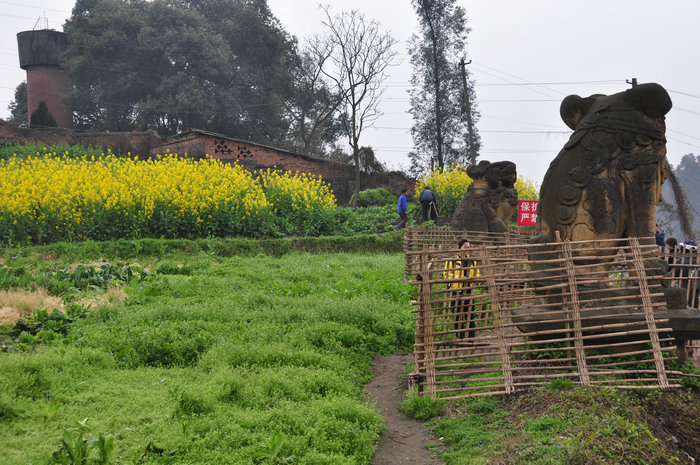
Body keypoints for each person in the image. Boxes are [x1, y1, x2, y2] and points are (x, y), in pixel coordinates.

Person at [444, 239, 481, 341]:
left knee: (470, 314)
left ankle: (471, 339)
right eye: (465, 247)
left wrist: (472, 278)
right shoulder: (452, 260)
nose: (467, 249)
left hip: (469, 290)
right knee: (457, 315)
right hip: (457, 290)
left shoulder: (472, 260)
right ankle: (460, 338)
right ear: (459, 247)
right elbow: (446, 274)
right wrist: (458, 277)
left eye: (468, 248)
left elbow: (477, 273)